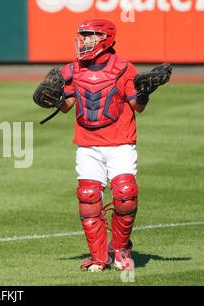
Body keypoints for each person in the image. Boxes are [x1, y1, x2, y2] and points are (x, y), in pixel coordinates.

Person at [35, 19, 170, 272]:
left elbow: (137, 106)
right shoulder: (73, 69)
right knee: (88, 199)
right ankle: (99, 257)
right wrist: (54, 99)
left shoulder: (124, 68)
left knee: (125, 195)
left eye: (89, 36)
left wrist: (144, 93)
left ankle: (120, 249)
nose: (84, 41)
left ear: (105, 39)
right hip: (87, 145)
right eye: (82, 36)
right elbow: (67, 107)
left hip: (120, 143)